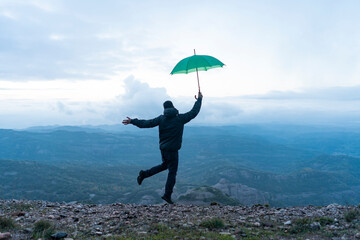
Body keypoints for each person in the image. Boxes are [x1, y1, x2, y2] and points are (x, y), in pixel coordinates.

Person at [122, 92, 203, 204]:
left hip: (164, 149)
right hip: (173, 150)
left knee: (165, 165)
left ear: (164, 109)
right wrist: (199, 100)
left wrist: (132, 121)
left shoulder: (161, 119)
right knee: (172, 172)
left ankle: (144, 174)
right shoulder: (180, 118)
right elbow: (194, 112)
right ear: (173, 107)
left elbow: (147, 123)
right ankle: (167, 194)